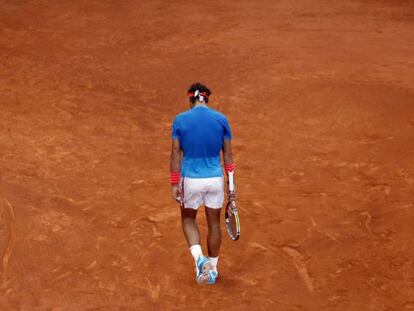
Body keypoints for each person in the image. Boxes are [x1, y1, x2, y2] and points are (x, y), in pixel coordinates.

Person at [170, 82, 236, 285]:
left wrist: (174, 183)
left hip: (191, 180)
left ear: (191, 99)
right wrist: (231, 186)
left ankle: (199, 258)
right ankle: (213, 269)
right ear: (206, 98)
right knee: (214, 223)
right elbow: (228, 155)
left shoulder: (180, 120)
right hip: (215, 179)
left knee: (188, 219)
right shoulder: (221, 119)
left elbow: (175, 154)